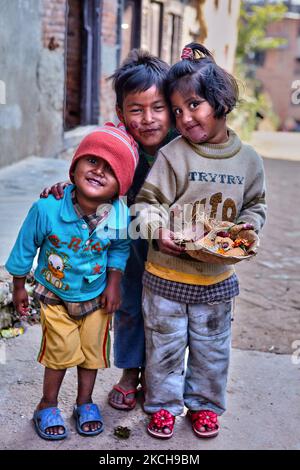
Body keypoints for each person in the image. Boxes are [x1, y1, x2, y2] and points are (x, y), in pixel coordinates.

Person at [136, 43, 267, 439]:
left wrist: (246, 231)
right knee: (164, 350)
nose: (185, 117)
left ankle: (205, 407)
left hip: (216, 282)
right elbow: (148, 203)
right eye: (177, 110)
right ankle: (161, 406)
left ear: (220, 102)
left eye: (194, 104)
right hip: (165, 277)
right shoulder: (174, 155)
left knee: (212, 352)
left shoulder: (248, 161)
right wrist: (158, 229)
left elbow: (256, 205)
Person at [40, 49, 177, 411]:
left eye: (158, 107)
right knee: (130, 306)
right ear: (121, 113)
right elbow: (90, 165)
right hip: (128, 242)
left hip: (175, 244)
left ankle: (160, 377)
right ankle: (130, 372)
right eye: (136, 109)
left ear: (172, 108)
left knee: (166, 313)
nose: (148, 119)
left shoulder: (183, 145)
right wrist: (69, 186)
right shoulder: (117, 140)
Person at [5, 123, 138, 440]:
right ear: (74, 165)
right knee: (61, 351)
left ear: (121, 186)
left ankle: (84, 402)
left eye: (111, 169)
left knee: (91, 353)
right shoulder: (47, 209)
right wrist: (19, 286)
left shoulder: (119, 215)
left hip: (96, 299)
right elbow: (25, 249)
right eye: (92, 161)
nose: (99, 171)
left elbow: (119, 247)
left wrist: (115, 281)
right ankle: (47, 404)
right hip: (56, 297)